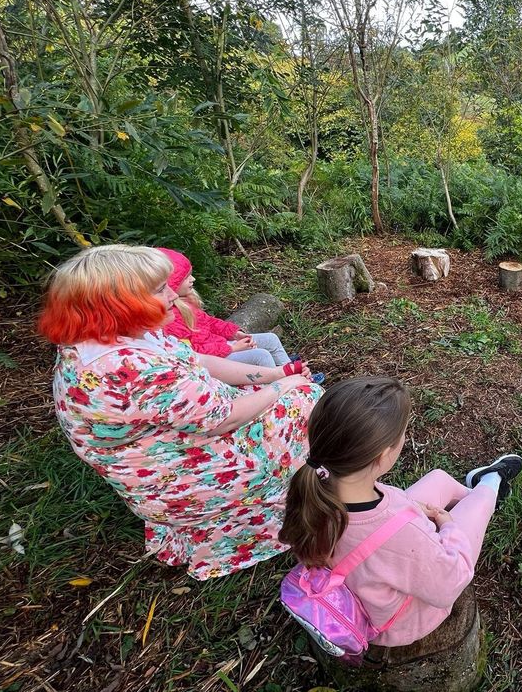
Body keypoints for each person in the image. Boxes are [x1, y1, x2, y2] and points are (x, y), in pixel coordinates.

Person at [37, 245, 323, 579]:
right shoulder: (128, 367)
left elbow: (197, 361)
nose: (174, 294)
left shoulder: (113, 335)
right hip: (182, 476)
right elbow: (223, 418)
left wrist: (274, 375)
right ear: (121, 304)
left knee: (299, 394)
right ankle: (309, 495)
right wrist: (282, 388)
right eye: (160, 289)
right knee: (307, 401)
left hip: (177, 441)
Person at [279, 377, 522, 648]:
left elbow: (382, 515)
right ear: (383, 455)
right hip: (400, 622)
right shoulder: (404, 536)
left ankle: (470, 495)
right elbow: (450, 585)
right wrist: (450, 528)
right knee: (479, 504)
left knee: (440, 479)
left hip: (366, 570)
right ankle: (491, 483)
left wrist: (413, 509)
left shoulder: (318, 489)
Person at [157, 247, 292, 368]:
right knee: (261, 356)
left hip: (220, 347)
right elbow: (191, 352)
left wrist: (234, 333)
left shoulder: (185, 302)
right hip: (212, 360)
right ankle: (281, 386)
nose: (193, 279)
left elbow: (210, 322)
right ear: (171, 284)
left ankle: (294, 374)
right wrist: (231, 348)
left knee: (270, 339)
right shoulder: (170, 319)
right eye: (186, 278)